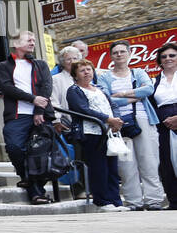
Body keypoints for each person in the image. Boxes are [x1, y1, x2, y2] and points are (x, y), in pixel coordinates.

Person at [97, 40, 163, 209]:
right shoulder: (104, 77)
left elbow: (148, 89)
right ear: (111, 56)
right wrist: (134, 97)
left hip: (143, 120)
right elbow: (107, 99)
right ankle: (134, 202)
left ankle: (154, 200)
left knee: (149, 161)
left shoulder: (138, 72)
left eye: (122, 51)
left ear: (129, 53)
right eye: (115, 52)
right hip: (119, 124)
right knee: (126, 165)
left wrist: (123, 93)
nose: (119, 55)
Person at [0, 29, 58, 204]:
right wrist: (32, 99)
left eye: (34, 40)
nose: (32, 42)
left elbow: (46, 87)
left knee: (39, 153)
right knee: (14, 147)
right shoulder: (3, 66)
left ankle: (37, 193)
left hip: (41, 115)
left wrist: (38, 111)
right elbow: (6, 88)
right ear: (15, 43)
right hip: (17, 115)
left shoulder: (41, 64)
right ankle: (26, 176)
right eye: (28, 39)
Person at [65, 60, 125, 210]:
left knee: (112, 169)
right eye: (82, 70)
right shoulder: (74, 90)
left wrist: (116, 120)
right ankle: (102, 201)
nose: (86, 72)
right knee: (99, 168)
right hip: (91, 133)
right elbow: (83, 110)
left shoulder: (99, 88)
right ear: (75, 75)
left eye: (89, 69)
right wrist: (108, 119)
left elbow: (113, 105)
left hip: (108, 132)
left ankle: (116, 201)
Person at [50, 44, 84, 197]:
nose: (72, 61)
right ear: (62, 62)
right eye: (68, 59)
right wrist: (57, 120)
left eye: (75, 58)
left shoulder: (84, 77)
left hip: (87, 124)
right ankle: (78, 189)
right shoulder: (56, 79)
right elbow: (54, 101)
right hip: (68, 123)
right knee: (75, 157)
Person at [152, 42, 177, 209]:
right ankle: (174, 200)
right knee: (167, 163)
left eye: (172, 55)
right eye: (164, 56)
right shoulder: (154, 81)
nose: (168, 58)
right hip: (163, 125)